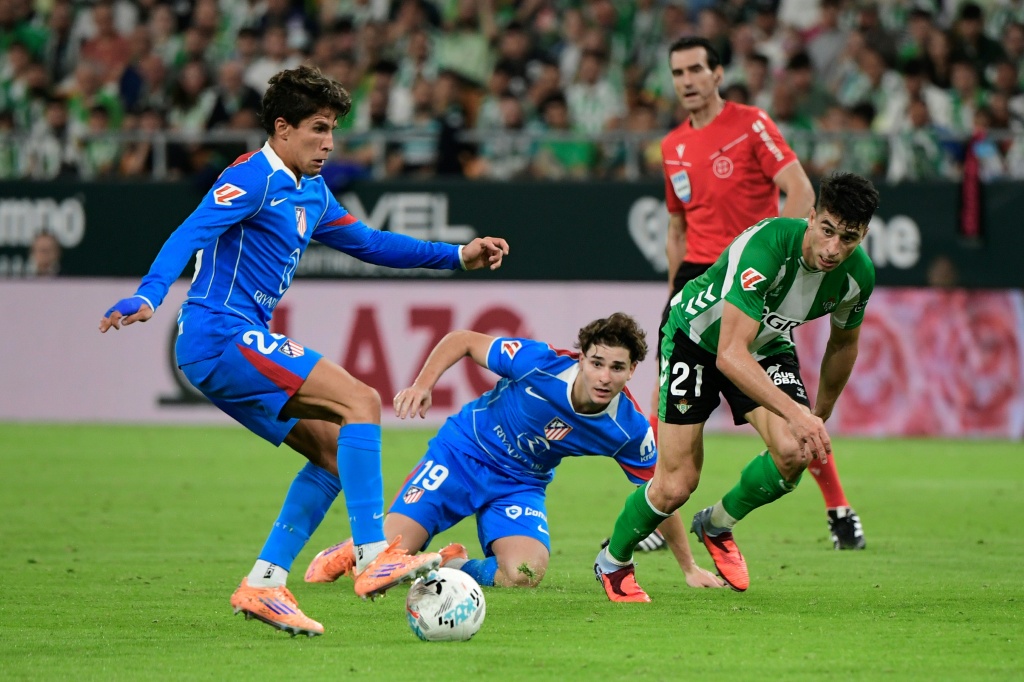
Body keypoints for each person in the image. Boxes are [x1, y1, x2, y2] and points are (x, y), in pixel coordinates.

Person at [98, 65, 509, 637]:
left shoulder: (311, 189)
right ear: (282, 128)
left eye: (334, 129)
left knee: (336, 456)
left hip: (228, 344)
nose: (329, 143)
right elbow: (189, 231)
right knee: (361, 401)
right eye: (318, 128)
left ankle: (264, 583)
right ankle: (373, 554)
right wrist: (148, 294)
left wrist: (456, 256)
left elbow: (368, 242)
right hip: (219, 331)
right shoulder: (253, 175)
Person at [595, 172, 880, 600]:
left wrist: (817, 414)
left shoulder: (858, 277)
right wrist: (797, 412)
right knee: (675, 486)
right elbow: (729, 353)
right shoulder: (767, 246)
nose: (833, 249)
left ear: (864, 235)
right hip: (695, 338)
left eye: (849, 238)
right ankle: (613, 561)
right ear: (811, 216)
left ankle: (717, 524)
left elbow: (843, 345)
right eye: (827, 230)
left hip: (764, 344)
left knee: (794, 451)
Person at [303, 314, 724, 596]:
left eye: (617, 367)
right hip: (461, 456)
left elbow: (662, 494)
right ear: (582, 358)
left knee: (524, 575)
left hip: (519, 486)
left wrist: (688, 568)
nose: (604, 376)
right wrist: (422, 384)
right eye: (597, 363)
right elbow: (463, 340)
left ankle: (448, 567)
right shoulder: (540, 364)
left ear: (632, 371)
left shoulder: (628, 428)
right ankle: (354, 548)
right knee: (378, 570)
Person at [652, 36, 866, 552]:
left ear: (718, 73)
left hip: (756, 275)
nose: (687, 81)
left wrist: (783, 257)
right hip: (699, 282)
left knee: (792, 406)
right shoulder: (672, 148)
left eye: (697, 69)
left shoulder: (751, 124)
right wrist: (674, 285)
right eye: (678, 72)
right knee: (667, 408)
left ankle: (838, 506)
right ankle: (664, 516)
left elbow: (800, 190)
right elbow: (677, 225)